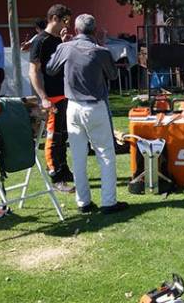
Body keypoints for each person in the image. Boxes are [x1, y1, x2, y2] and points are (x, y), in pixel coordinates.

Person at [46, 13, 126, 215]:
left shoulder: (65, 47)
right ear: (94, 30)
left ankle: (83, 202)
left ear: (76, 30)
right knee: (105, 154)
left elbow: (50, 69)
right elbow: (113, 75)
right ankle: (109, 202)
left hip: (72, 106)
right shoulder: (100, 51)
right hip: (94, 106)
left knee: (78, 156)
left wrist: (61, 46)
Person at [29, 4, 75, 194]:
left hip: (65, 94)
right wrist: (43, 97)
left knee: (63, 135)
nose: (67, 24)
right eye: (65, 20)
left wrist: (64, 42)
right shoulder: (40, 41)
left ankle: (64, 170)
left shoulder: (57, 40)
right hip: (51, 97)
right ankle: (55, 175)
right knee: (54, 136)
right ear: (54, 18)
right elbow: (33, 71)